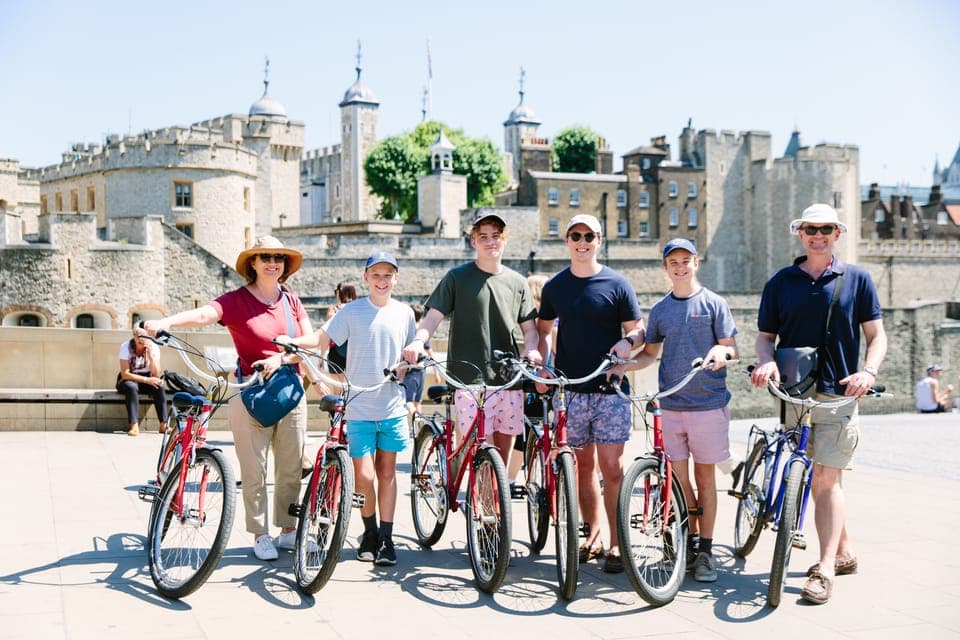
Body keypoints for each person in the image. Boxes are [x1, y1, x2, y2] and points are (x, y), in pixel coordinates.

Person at [750, 203, 887, 605]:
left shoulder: (857, 279)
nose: (818, 235)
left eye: (826, 229)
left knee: (827, 479)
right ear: (800, 233)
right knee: (810, 476)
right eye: (810, 229)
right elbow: (764, 337)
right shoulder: (780, 282)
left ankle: (824, 569)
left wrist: (869, 372)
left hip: (839, 393)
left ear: (837, 233)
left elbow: (876, 336)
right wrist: (766, 360)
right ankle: (843, 551)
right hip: (794, 391)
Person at [145, 236, 312, 562]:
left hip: (290, 392)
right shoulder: (237, 300)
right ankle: (260, 533)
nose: (272, 262)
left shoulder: (292, 302)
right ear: (253, 263)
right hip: (250, 391)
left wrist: (282, 358)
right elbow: (205, 315)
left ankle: (288, 529)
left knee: (291, 468)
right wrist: (166, 322)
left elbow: (309, 342)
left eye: (278, 257)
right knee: (254, 470)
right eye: (265, 257)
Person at [279, 251, 415, 566]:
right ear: (366, 278)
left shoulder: (405, 313)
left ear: (396, 278)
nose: (382, 281)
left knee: (387, 473)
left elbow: (410, 353)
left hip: (392, 406)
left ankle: (386, 538)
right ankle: (369, 532)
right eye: (376, 275)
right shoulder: (352, 311)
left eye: (388, 275)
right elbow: (322, 338)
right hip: (359, 406)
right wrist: (293, 341)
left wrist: (405, 366)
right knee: (364, 476)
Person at [536, 214, 643, 574]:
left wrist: (628, 342)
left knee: (612, 468)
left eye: (589, 236)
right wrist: (543, 365)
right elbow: (542, 330)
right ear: (567, 241)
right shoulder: (555, 287)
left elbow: (638, 329)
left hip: (610, 391)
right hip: (572, 391)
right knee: (583, 467)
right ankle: (592, 535)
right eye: (576, 236)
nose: (582, 242)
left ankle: (617, 542)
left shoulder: (617, 283)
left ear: (599, 240)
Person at [630, 238, 738, 583]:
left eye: (685, 261)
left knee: (705, 478)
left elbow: (731, 348)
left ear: (696, 263)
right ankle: (688, 539)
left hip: (707, 404)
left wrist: (721, 352)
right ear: (665, 267)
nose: (680, 267)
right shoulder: (661, 310)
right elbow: (650, 353)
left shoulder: (714, 303)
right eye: (673, 262)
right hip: (672, 405)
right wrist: (623, 366)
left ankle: (705, 549)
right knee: (678, 481)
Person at [403, 210, 542, 475]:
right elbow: (432, 318)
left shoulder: (518, 282)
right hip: (468, 378)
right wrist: (418, 342)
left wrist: (532, 348)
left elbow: (530, 330)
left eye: (496, 236)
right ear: (474, 241)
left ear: (504, 240)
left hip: (508, 379)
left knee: (501, 459)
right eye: (484, 236)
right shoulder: (457, 277)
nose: (491, 241)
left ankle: (494, 502)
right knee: (480, 451)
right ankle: (476, 494)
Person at [116, 327, 168, 436]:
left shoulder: (153, 347)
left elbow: (156, 374)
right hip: (129, 378)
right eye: (139, 337)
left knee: (159, 385)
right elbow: (125, 374)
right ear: (134, 337)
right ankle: (134, 425)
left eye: (144, 337)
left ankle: (163, 424)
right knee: (131, 387)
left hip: (147, 377)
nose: (141, 339)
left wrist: (151, 357)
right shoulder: (126, 347)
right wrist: (146, 380)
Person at [403, 303, 438, 433]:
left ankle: (420, 421)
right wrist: (436, 373)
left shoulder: (409, 331)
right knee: (418, 401)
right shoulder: (422, 333)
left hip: (410, 370)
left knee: (408, 401)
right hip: (422, 370)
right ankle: (419, 430)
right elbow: (430, 353)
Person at [325, 281, 357, 378]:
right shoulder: (359, 309)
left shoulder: (333, 309)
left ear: (339, 292)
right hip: (356, 351)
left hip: (336, 351)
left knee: (337, 385)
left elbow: (327, 331)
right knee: (357, 384)